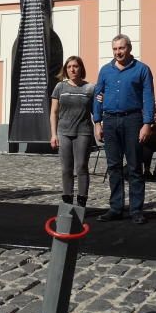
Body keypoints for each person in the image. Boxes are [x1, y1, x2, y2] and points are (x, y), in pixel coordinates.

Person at [92, 34, 155, 225]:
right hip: (110, 121)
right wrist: (97, 122)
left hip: (133, 121)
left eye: (121, 48)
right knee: (113, 167)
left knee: (135, 167)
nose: (118, 52)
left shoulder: (142, 70)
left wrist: (147, 123)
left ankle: (136, 210)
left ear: (129, 48)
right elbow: (97, 96)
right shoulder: (105, 71)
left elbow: (148, 97)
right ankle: (116, 207)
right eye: (115, 49)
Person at [50, 56, 96, 205]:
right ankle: (67, 202)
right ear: (66, 70)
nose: (72, 69)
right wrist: (53, 134)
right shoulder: (60, 87)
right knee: (66, 169)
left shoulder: (90, 88)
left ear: (81, 68)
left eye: (75, 66)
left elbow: (96, 111)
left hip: (83, 132)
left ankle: (82, 201)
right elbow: (54, 112)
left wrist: (100, 126)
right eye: (69, 67)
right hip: (63, 133)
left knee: (81, 166)